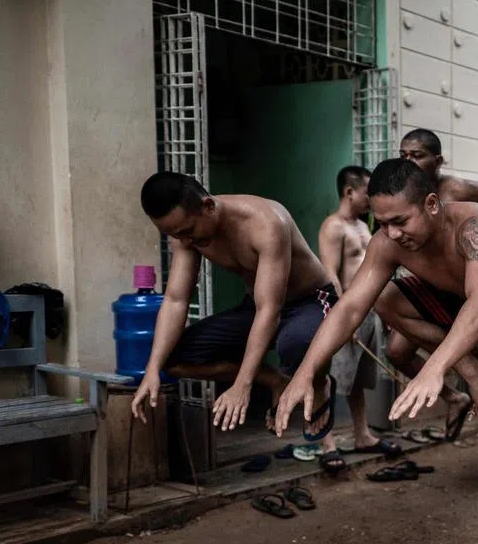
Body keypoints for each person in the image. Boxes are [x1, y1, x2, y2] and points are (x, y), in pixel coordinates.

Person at [273, 160, 478, 443]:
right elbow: (351, 306)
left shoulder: (476, 227)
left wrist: (433, 368)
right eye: (381, 223)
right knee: (383, 297)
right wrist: (305, 372)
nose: (392, 233)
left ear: (432, 204)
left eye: (400, 221)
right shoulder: (387, 243)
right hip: (468, 300)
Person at [130, 173, 338, 443]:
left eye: (187, 232)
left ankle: (320, 384)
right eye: (174, 235)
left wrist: (242, 385)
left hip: (309, 301)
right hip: (257, 306)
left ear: (208, 206)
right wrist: (151, 371)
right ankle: (275, 380)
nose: (185, 242)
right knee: (170, 358)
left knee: (295, 343)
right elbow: (175, 300)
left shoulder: (266, 222)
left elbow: (269, 310)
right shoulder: (185, 237)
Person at [387, 128, 478, 437]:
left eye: (417, 155)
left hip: (467, 287)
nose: (409, 161)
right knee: (397, 352)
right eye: (403, 155)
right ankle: (457, 394)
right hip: (429, 284)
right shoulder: (398, 199)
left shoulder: (455, 189)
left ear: (438, 160)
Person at [315, 166, 402, 472]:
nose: (370, 198)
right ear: (349, 192)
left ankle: (363, 435)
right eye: (367, 191)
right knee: (329, 379)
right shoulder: (333, 226)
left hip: (370, 312)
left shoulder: (365, 227)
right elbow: (330, 275)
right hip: (347, 311)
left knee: (358, 380)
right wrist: (341, 318)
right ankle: (327, 444)